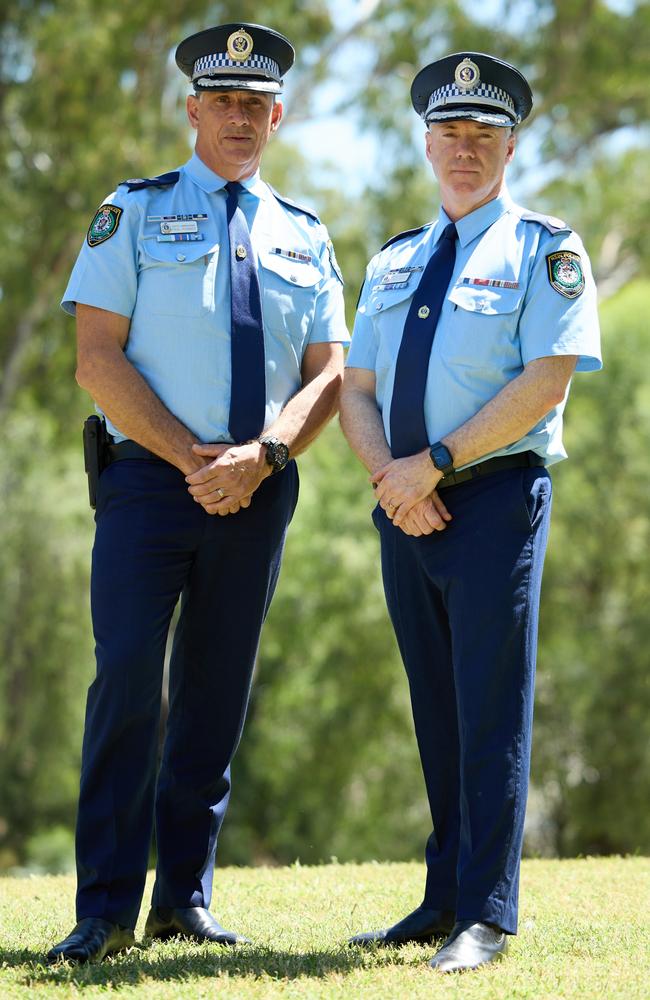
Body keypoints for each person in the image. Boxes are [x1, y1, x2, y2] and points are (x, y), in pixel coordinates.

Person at [48, 22, 348, 964]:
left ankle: (184, 899)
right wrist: (191, 458)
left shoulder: (305, 234)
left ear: (277, 115)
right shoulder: (131, 213)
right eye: (222, 102)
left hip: (259, 487)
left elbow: (331, 373)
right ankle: (102, 908)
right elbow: (97, 360)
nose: (239, 118)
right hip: (147, 483)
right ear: (191, 110)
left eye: (255, 106)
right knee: (129, 679)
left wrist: (260, 455)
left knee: (215, 695)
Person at [340, 52, 601, 973]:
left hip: (491, 497)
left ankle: (485, 914)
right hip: (402, 507)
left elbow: (548, 378)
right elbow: (355, 388)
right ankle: (442, 895)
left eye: (483, 136)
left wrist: (438, 463)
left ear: (510, 146)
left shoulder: (544, 248)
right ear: (427, 143)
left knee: (491, 704)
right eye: (450, 134)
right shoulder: (395, 259)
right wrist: (392, 480)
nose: (464, 150)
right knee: (435, 706)